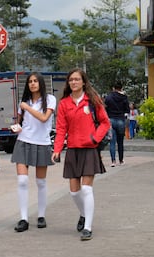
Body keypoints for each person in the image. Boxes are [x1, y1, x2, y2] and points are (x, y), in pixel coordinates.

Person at [51, 68, 110, 241]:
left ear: (83, 82)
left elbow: (105, 123)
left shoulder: (92, 100)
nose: (74, 82)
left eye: (77, 79)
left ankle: (88, 227)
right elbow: (61, 128)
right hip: (73, 149)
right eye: (71, 80)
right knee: (74, 192)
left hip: (89, 148)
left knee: (86, 188)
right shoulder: (64, 104)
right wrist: (56, 149)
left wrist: (95, 138)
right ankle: (84, 214)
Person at [10, 72, 56, 232]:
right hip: (23, 141)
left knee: (41, 182)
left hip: (42, 142)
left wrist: (27, 108)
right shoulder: (24, 102)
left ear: (40, 83)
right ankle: (23, 218)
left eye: (36, 81)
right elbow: (20, 121)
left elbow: (44, 118)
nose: (33, 84)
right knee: (22, 181)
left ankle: (41, 216)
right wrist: (17, 127)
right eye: (30, 81)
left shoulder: (49, 99)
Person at [104, 82, 129, 167]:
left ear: (113, 88)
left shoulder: (108, 97)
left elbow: (105, 109)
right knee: (120, 142)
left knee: (112, 142)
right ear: (121, 88)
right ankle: (121, 160)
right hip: (121, 120)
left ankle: (113, 161)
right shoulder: (124, 97)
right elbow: (127, 110)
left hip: (111, 120)